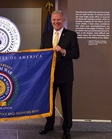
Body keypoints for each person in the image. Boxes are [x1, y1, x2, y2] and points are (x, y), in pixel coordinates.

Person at [39, 10, 80, 139]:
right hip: (49, 76)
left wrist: (63, 50)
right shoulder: (45, 35)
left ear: (63, 20)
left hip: (65, 77)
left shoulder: (71, 35)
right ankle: (49, 125)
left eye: (58, 20)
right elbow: (41, 53)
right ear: (51, 21)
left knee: (66, 103)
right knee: (49, 102)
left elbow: (76, 54)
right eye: (53, 20)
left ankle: (67, 129)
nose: (56, 22)